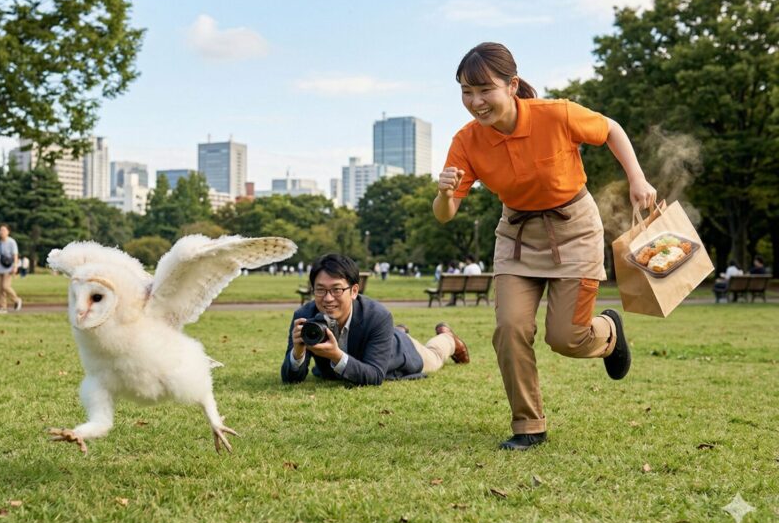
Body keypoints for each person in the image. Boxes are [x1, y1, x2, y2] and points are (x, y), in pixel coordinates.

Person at [433, 43, 656, 451]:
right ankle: (528, 425)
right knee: (510, 328)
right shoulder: (466, 141)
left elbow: (611, 129)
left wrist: (637, 178)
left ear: (512, 85)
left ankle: (608, 332)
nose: (475, 101)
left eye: (484, 89)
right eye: (466, 91)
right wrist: (445, 194)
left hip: (574, 229)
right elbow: (445, 214)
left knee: (567, 338)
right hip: (516, 235)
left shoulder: (555, 114)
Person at [281, 254, 470, 386]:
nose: (328, 298)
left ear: (354, 291)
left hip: (400, 352)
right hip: (376, 339)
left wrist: (336, 355)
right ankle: (397, 331)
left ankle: (448, 339)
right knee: (385, 335)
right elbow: (291, 379)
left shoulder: (378, 315)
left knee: (434, 357)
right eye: (320, 290)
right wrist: (298, 353)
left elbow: (375, 376)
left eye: (337, 290)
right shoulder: (304, 316)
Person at [0, 223, 23, 314]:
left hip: (9, 268)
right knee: (0, 289)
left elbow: (15, 255)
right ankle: (3, 308)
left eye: (4, 230)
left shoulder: (12, 242)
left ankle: (16, 299)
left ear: (8, 232)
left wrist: (15, 266)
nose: (2, 232)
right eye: (0, 230)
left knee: (5, 286)